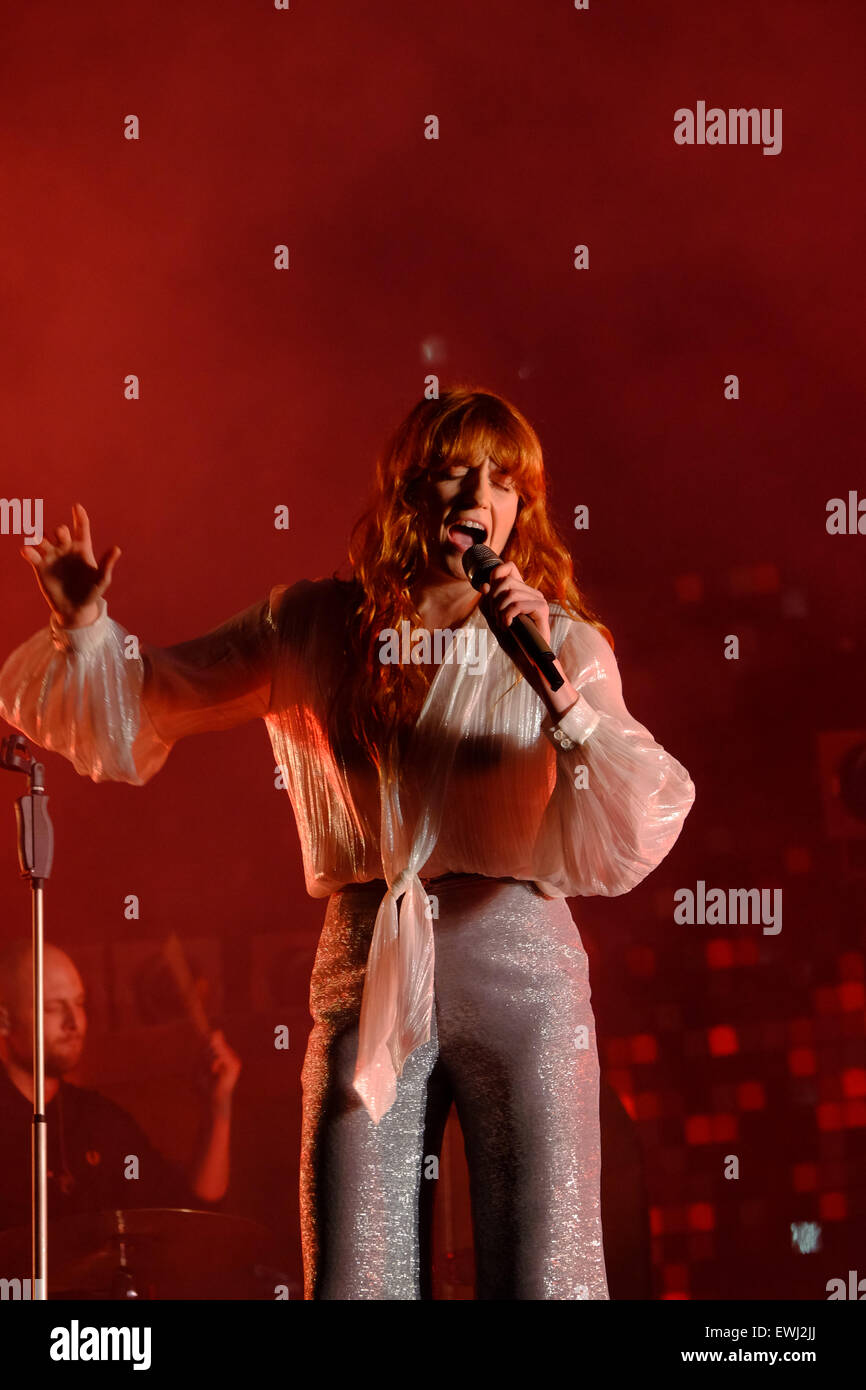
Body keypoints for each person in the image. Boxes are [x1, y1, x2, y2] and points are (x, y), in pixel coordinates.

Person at [0, 386, 695, 1300]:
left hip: (521, 961)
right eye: (455, 471)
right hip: (367, 964)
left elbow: (636, 822)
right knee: (357, 1278)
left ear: (522, 505)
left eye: (503, 479)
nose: (478, 495)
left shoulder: (562, 640)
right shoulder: (316, 628)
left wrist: (556, 689)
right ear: (409, 490)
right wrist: (84, 628)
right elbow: (160, 696)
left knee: (549, 1274)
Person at [0, 940, 241, 1232]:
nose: (74, 1022)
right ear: (4, 1021)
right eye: (53, 1008)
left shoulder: (100, 1121)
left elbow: (191, 1213)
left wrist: (219, 1108)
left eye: (79, 1003)